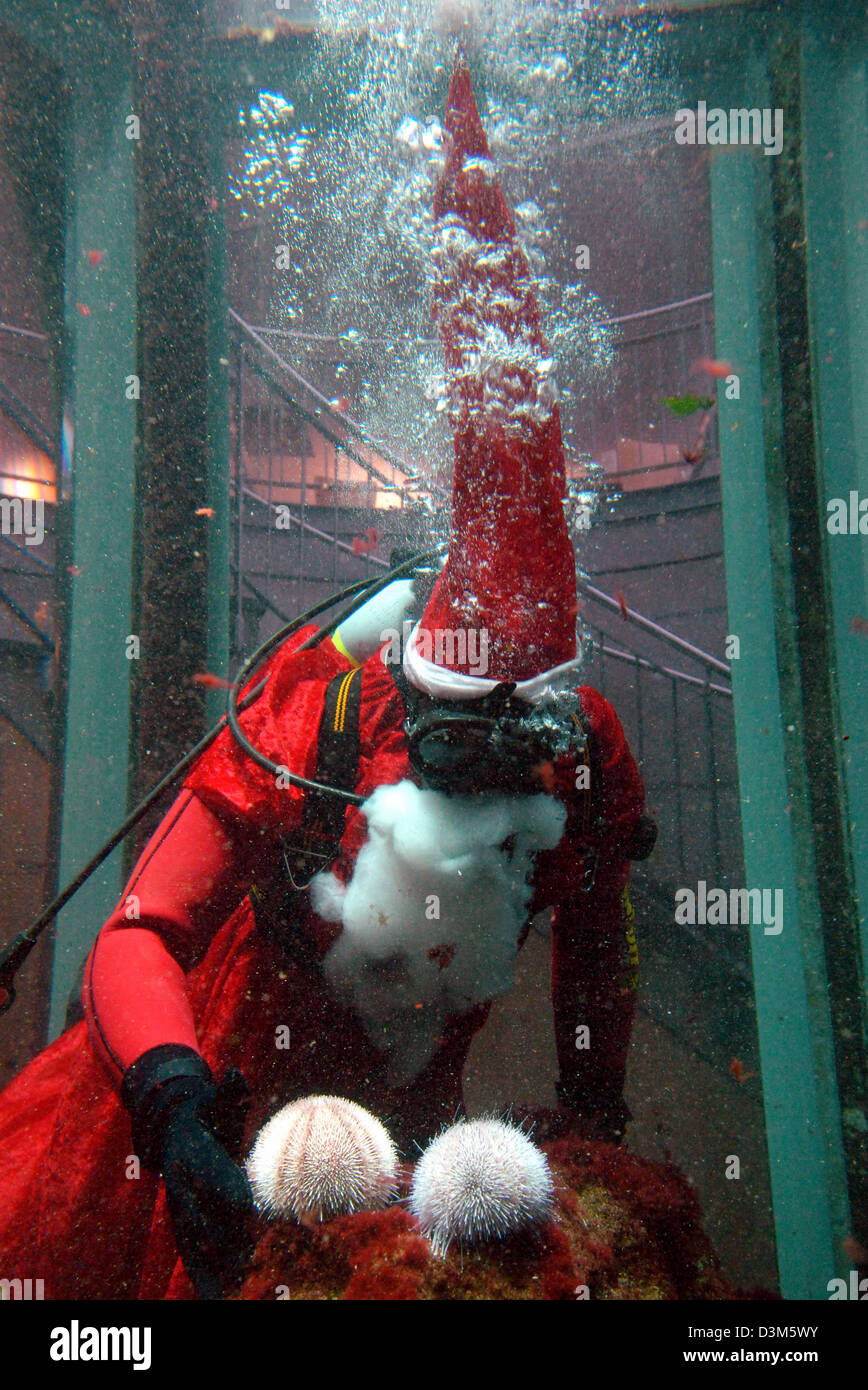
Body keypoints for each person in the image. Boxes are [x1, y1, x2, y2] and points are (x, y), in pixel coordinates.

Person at [0, 55, 651, 1301]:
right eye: (458, 729)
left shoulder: (584, 758)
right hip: (229, 1066)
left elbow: (598, 963)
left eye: (516, 729)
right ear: (407, 678)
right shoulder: (312, 709)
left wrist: (592, 1113)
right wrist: (175, 1098)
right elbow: (143, 929)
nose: (488, 763)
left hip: (414, 1126)